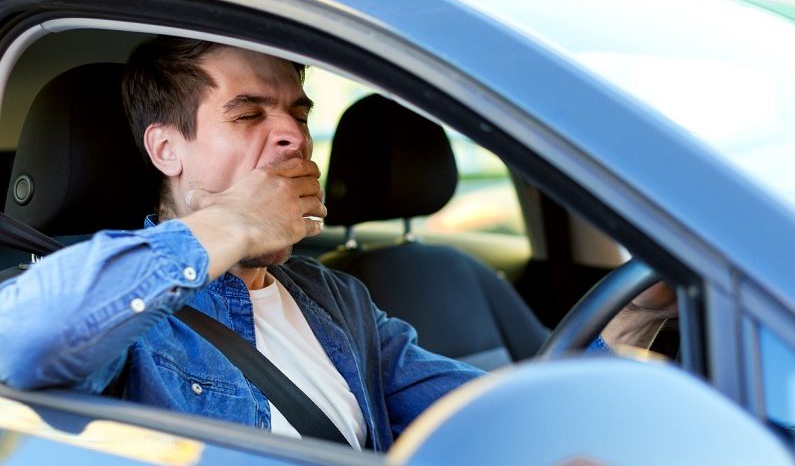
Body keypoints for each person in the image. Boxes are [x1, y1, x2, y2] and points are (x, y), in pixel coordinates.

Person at [0, 37, 676, 452]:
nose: (294, 135)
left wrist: (639, 309)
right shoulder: (124, 310)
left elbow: (496, 421)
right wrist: (233, 224)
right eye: (250, 114)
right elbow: (20, 343)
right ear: (166, 149)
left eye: (297, 112)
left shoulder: (337, 301)